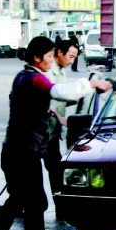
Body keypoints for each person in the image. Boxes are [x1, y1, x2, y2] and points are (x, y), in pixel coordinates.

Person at [0, 36, 112, 230]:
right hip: (22, 154)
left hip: (20, 151)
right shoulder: (33, 78)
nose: (51, 61)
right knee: (33, 203)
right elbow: (60, 92)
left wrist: (53, 116)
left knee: (23, 200)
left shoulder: (25, 78)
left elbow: (39, 106)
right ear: (36, 57)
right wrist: (91, 84)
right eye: (48, 56)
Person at [44, 39, 79, 217]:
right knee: (48, 169)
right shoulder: (48, 71)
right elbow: (51, 97)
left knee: (55, 168)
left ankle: (60, 207)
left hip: (53, 132)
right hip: (41, 132)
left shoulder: (62, 72)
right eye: (71, 57)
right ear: (59, 53)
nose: (72, 61)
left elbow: (63, 98)